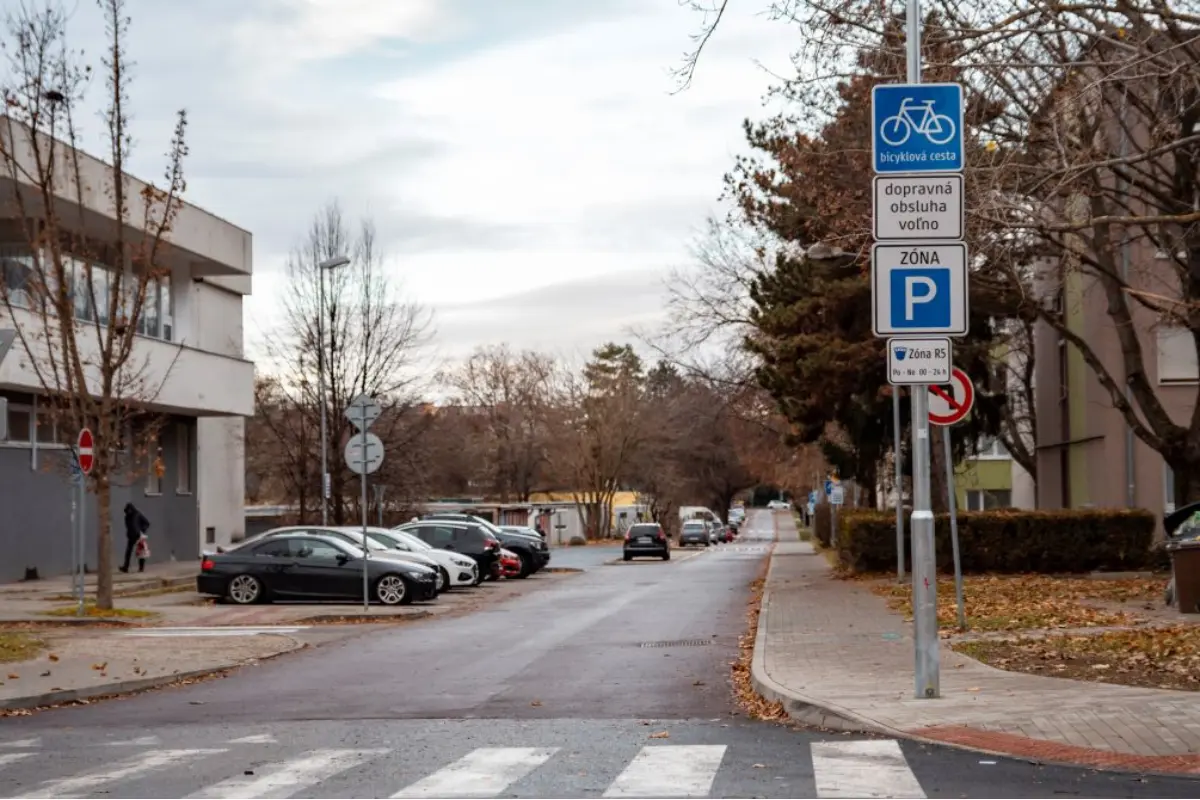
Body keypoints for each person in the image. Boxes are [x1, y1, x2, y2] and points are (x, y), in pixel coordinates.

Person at [120, 502, 150, 573]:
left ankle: (141, 568)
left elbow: (147, 523)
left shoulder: (137, 514)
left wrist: (142, 530)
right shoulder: (127, 516)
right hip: (131, 536)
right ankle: (125, 567)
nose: (128, 512)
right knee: (128, 552)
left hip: (139, 536)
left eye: (129, 510)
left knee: (141, 552)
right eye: (127, 511)